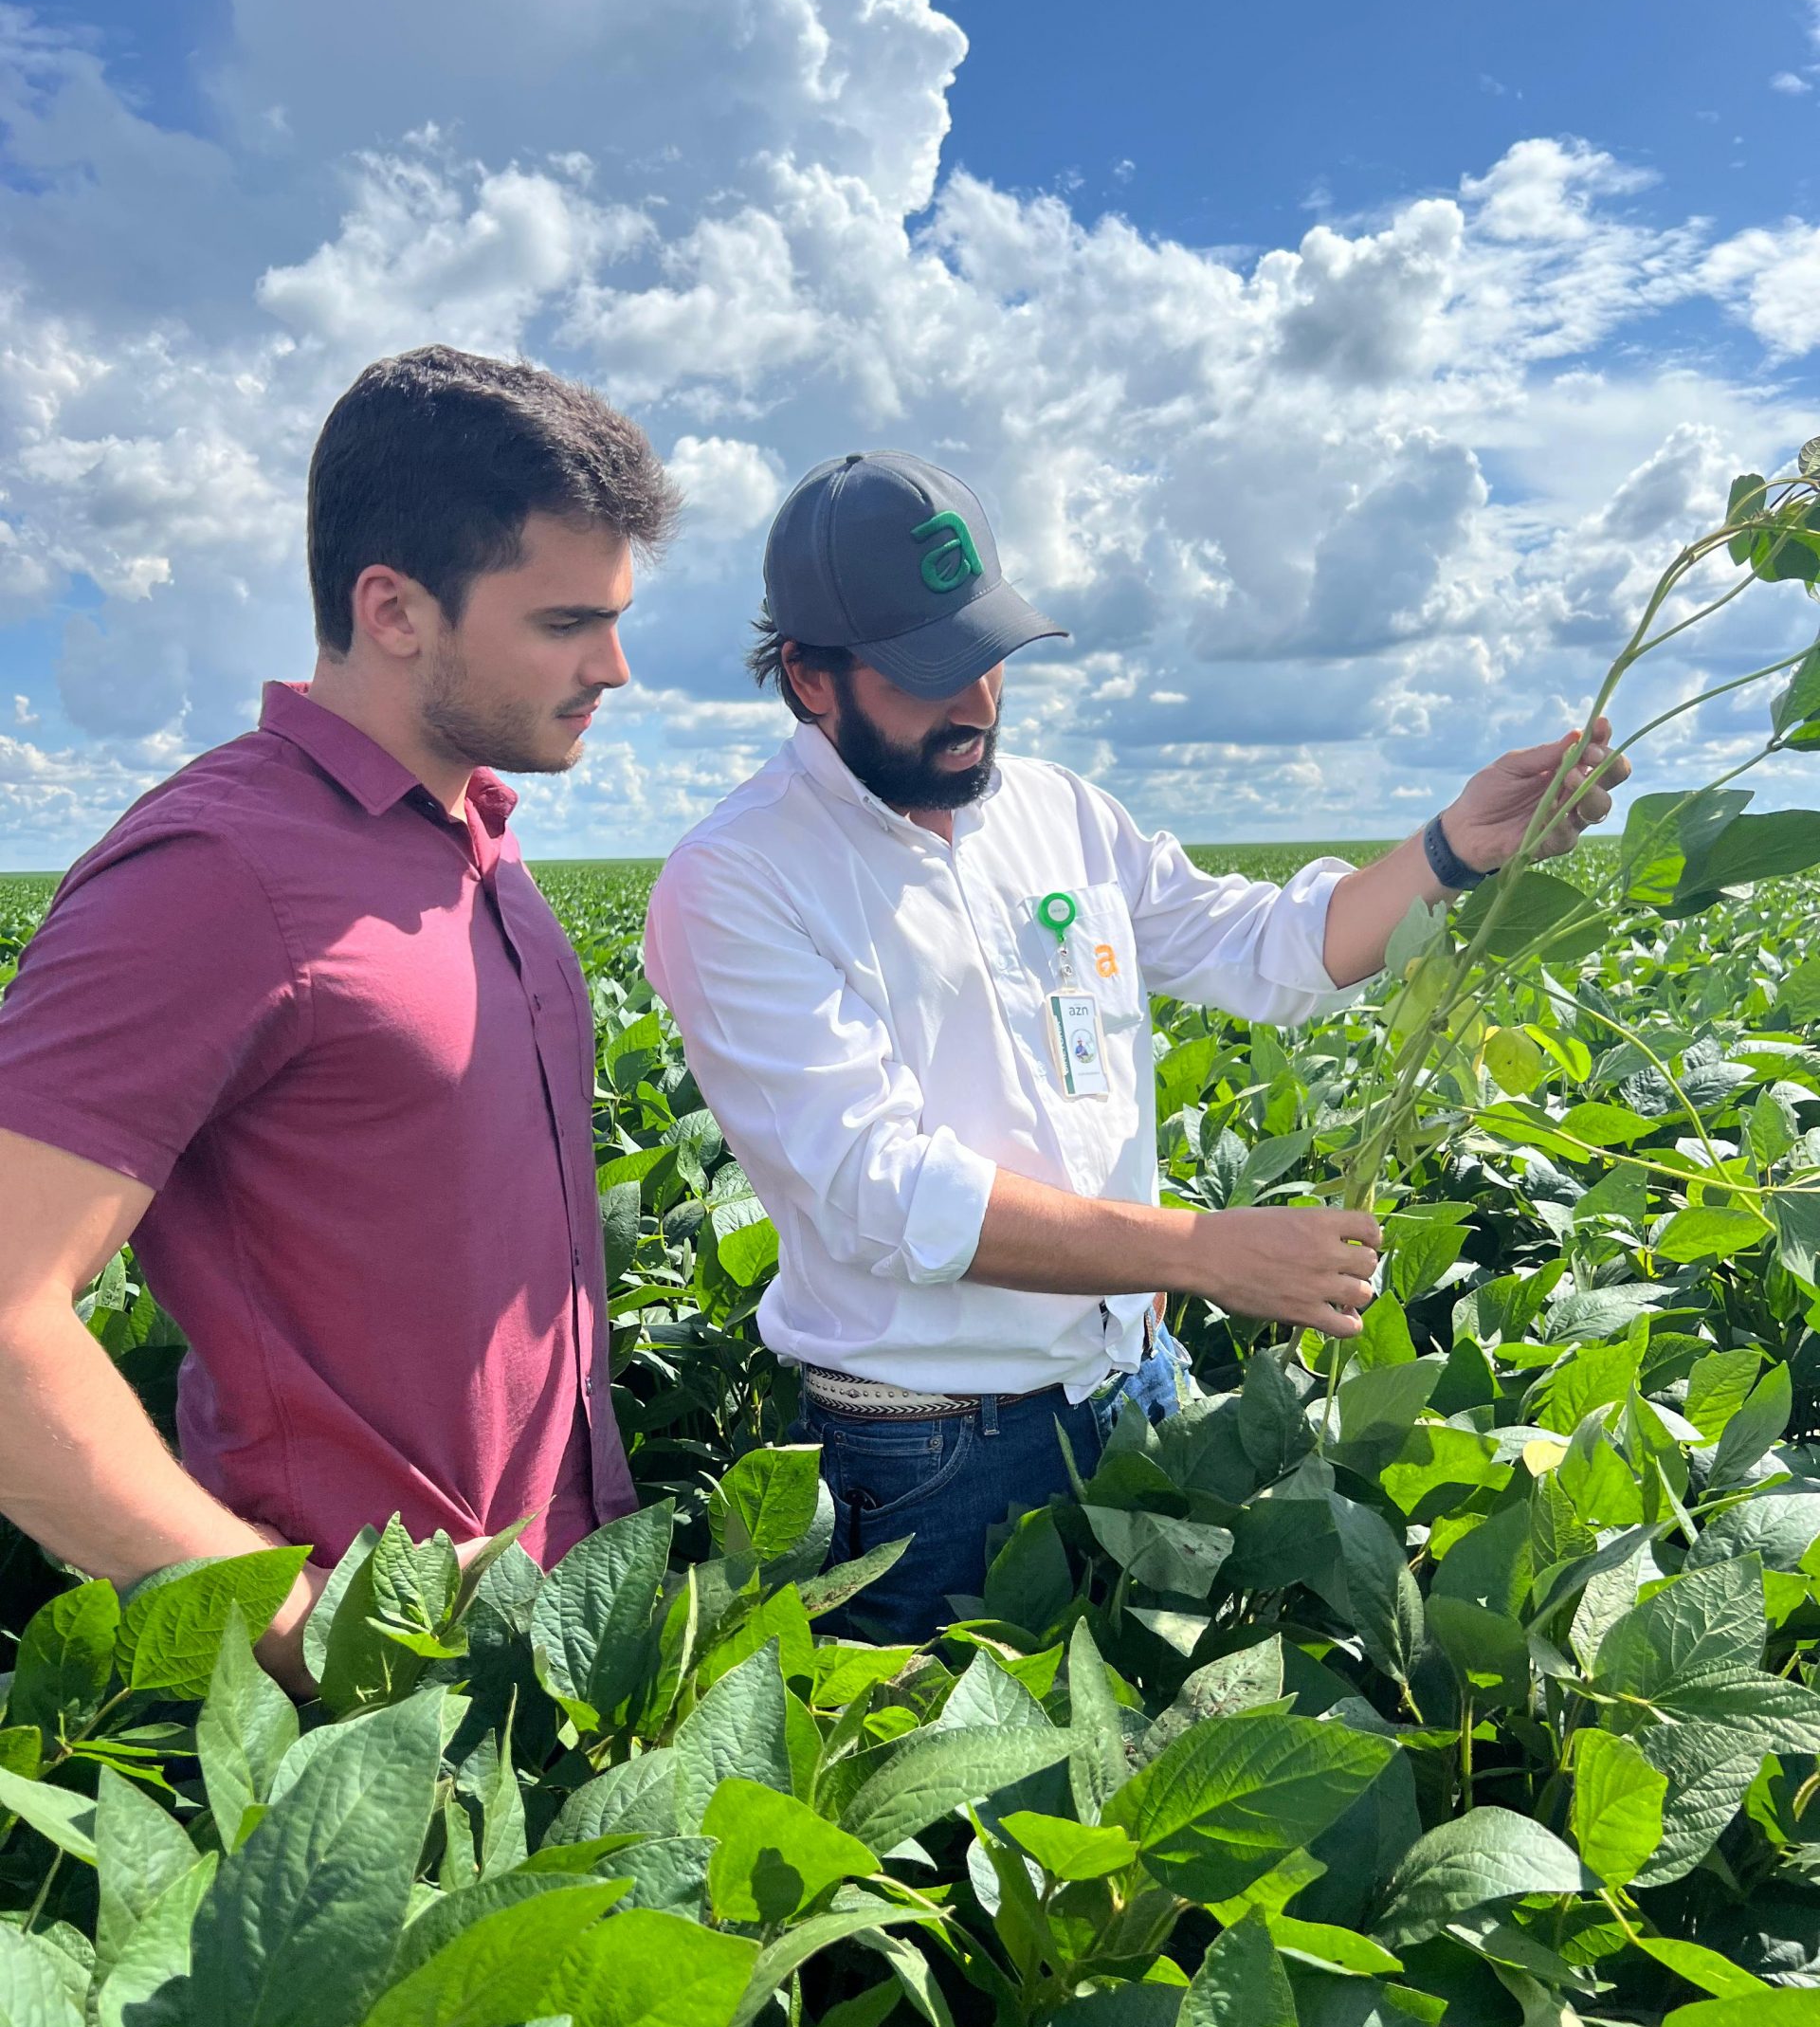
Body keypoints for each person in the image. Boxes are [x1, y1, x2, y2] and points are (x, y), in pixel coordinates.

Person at [644, 448, 1626, 1639]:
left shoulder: (1057, 812)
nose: (975, 704)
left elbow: (1272, 942)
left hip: (1133, 1388)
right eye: (924, 674)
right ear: (807, 676)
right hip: (935, 1454)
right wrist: (1208, 1250)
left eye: (989, 658)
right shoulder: (735, 877)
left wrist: (1453, 848)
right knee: (969, 1813)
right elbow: (881, 1190)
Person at [0, 346, 679, 1691]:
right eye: (562, 622)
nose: (614, 666)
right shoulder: (218, 872)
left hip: (559, 1638)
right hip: (373, 1691)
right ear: (394, 609)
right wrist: (307, 1633)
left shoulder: (473, 841)